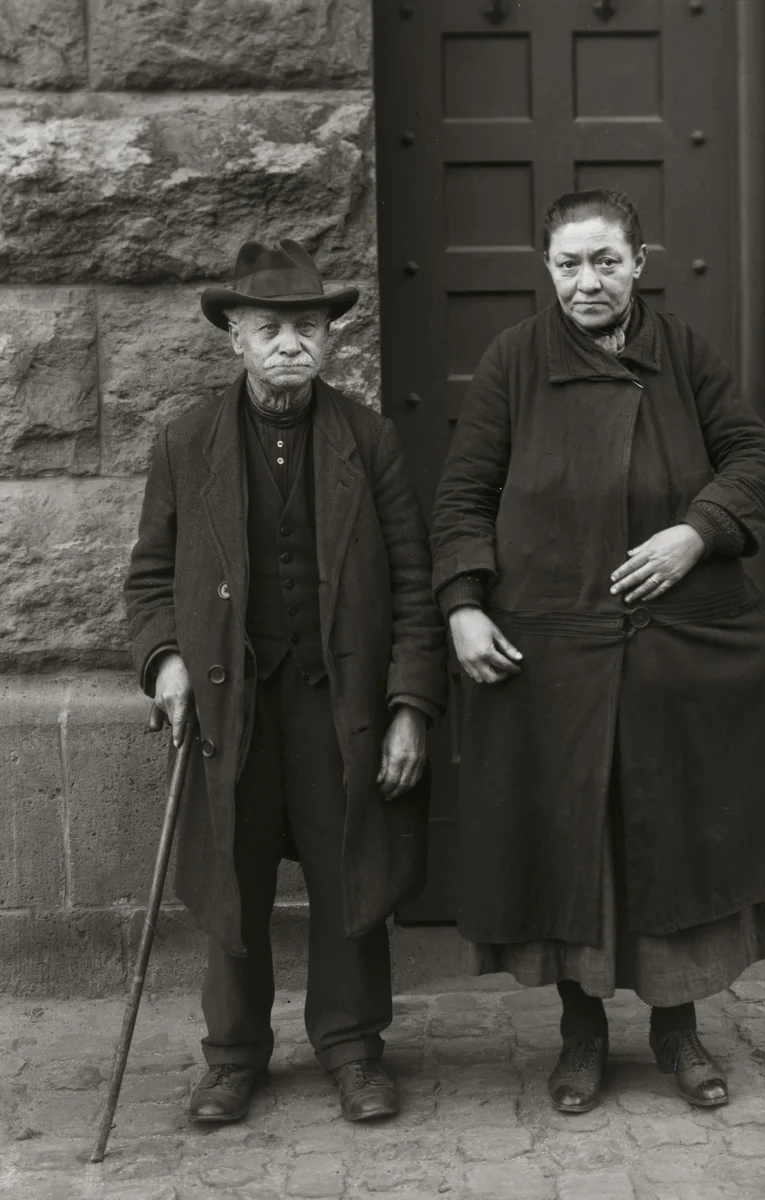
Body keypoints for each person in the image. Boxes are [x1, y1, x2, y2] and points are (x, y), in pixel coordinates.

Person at [431, 189, 765, 1113]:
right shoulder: (513, 362)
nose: (587, 281)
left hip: (676, 651)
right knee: (575, 845)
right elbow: (462, 497)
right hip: (553, 654)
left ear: (639, 263)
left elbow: (755, 460)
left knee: (674, 837)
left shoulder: (684, 354)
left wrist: (698, 531)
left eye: (606, 261)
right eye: (569, 263)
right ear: (548, 270)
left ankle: (679, 1033)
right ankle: (580, 1036)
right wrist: (461, 606)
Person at [124, 239, 446, 1125]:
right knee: (232, 881)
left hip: (335, 703)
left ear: (330, 339)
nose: (290, 345)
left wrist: (409, 706)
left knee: (351, 880)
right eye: (270, 328)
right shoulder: (187, 443)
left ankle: (352, 1048)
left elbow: (416, 581)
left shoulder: (368, 441)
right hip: (232, 705)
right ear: (235, 336)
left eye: (308, 327)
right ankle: (233, 1056)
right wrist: (168, 661)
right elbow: (149, 577)